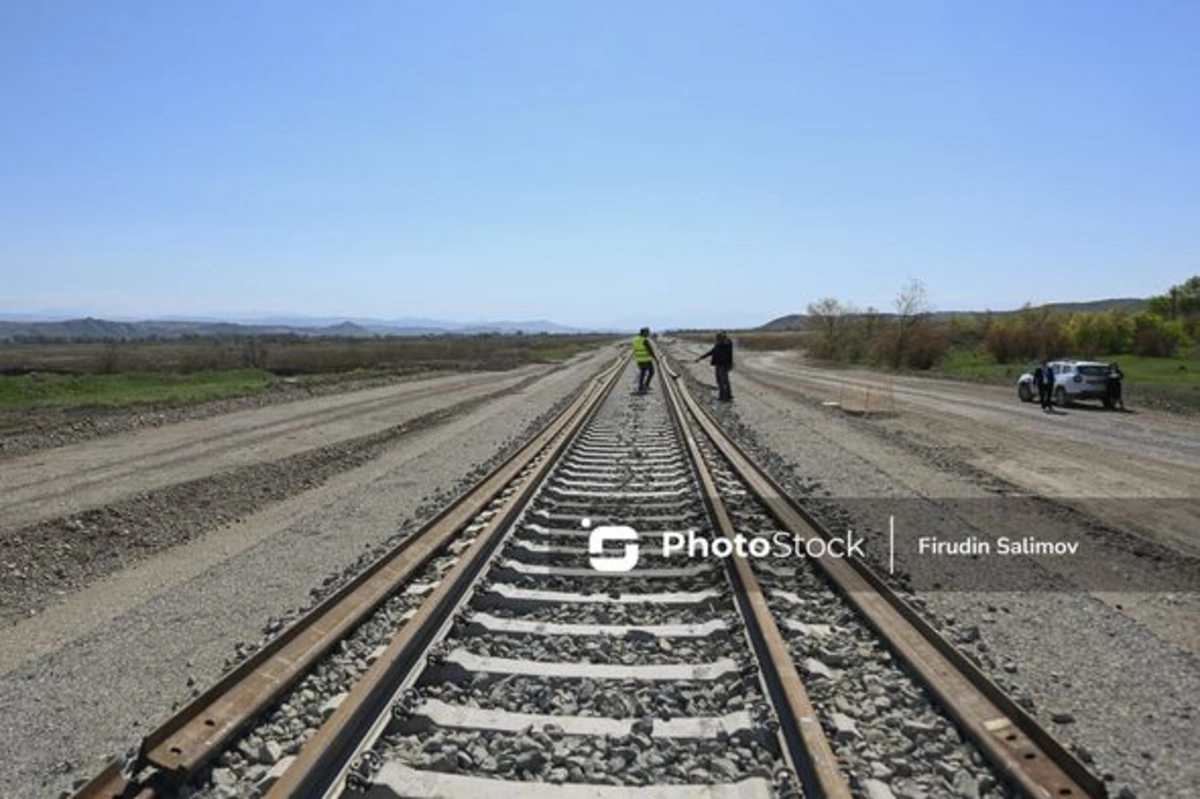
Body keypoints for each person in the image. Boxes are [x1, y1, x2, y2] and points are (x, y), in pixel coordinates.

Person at [695, 332, 734, 401]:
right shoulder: (725, 345)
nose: (716, 340)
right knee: (724, 381)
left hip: (721, 366)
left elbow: (710, 352)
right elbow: (711, 352)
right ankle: (728, 395)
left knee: (721, 381)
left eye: (717, 339)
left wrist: (700, 358)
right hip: (723, 365)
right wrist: (700, 358)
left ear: (719, 339)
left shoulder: (721, 345)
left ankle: (723, 397)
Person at [632, 327, 655, 393]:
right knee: (651, 372)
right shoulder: (644, 340)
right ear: (644, 333)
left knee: (643, 373)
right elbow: (650, 350)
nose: (648, 333)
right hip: (646, 359)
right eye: (647, 332)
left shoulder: (635, 339)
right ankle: (644, 386)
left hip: (639, 359)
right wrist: (655, 358)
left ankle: (642, 386)